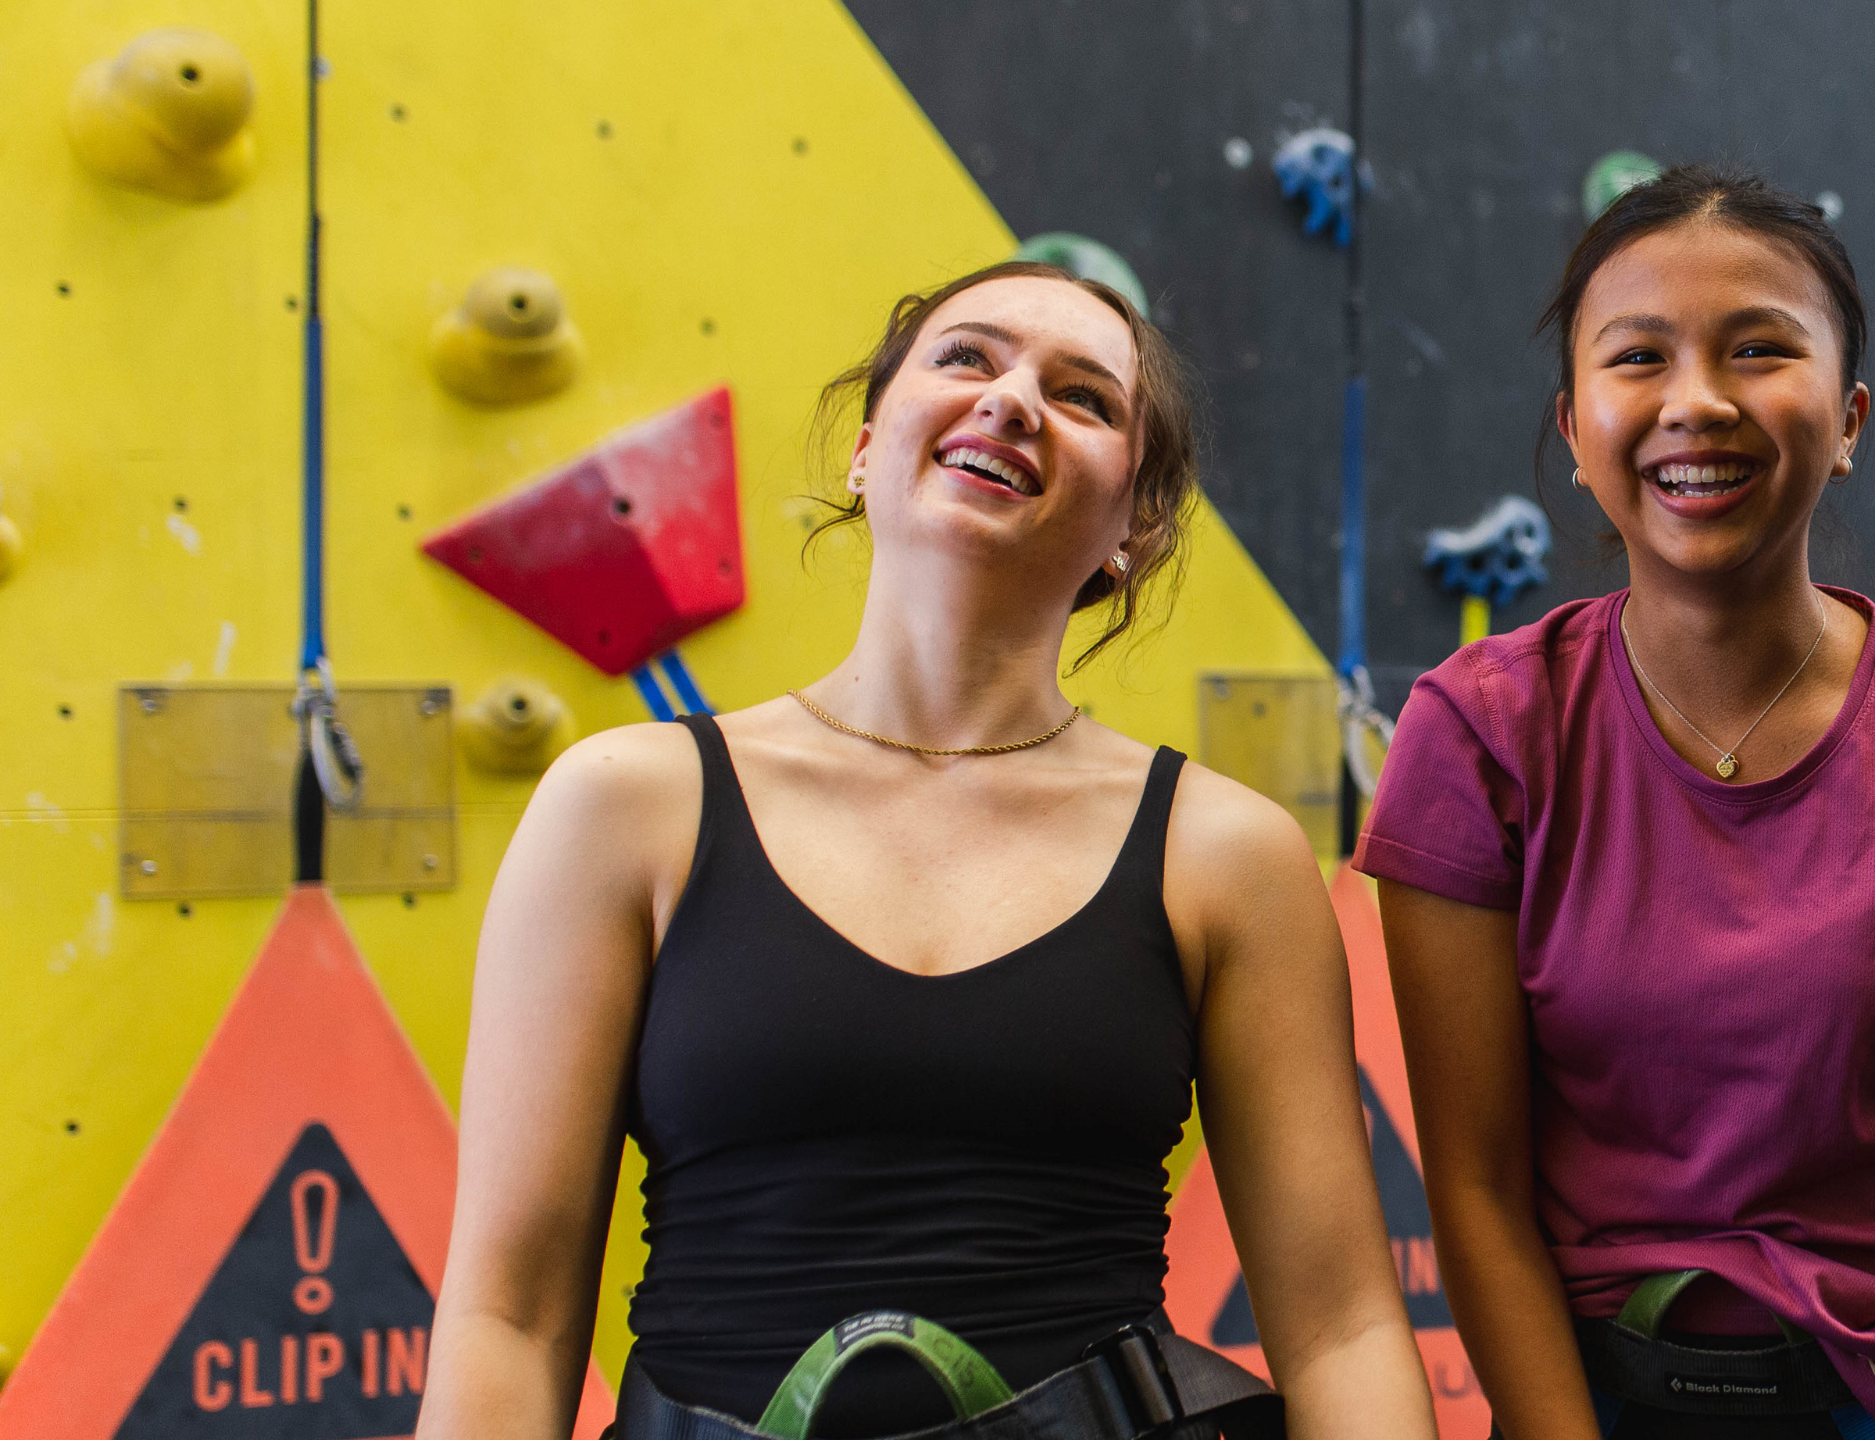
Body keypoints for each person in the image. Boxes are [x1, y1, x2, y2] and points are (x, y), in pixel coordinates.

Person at [422, 261, 1437, 1440]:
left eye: (1086, 397)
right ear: (864, 449)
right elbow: (511, 1315)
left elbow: (1342, 1331)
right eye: (968, 357)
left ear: (1137, 528)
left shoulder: (1224, 855)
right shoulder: (624, 806)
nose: (1010, 400)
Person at [1361, 167, 1875, 1440]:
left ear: (1848, 419)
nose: (1697, 403)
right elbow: (1477, 1189)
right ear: (1573, 429)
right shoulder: (1480, 736)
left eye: (1759, 350)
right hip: (1611, 1403)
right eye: (1638, 358)